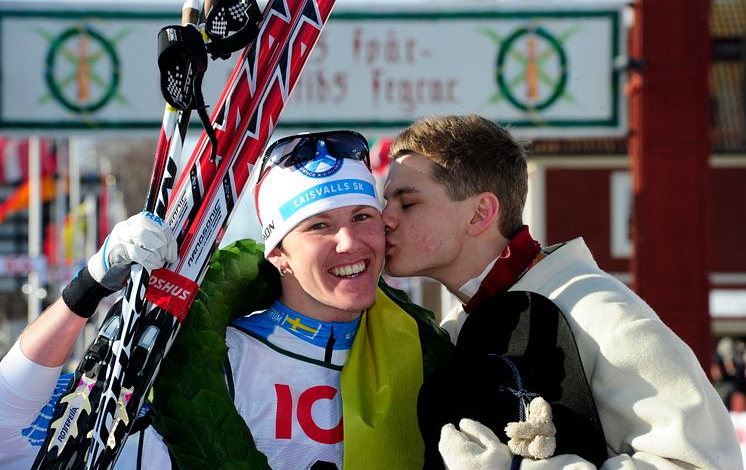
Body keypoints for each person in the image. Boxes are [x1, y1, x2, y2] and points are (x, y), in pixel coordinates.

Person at [0, 130, 452, 469]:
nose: (350, 241)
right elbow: (8, 430)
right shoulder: (214, 361)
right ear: (278, 253)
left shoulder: (426, 350)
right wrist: (93, 280)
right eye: (319, 226)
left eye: (362, 217)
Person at [381, 114, 741, 469]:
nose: (385, 218)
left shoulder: (605, 319)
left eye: (407, 202)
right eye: (385, 202)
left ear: (480, 213)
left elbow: (700, 464)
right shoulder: (457, 327)